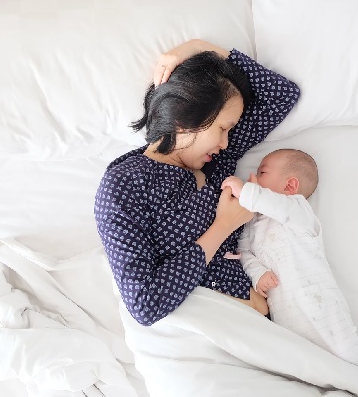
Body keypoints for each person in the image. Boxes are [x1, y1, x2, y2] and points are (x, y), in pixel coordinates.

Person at [94, 39, 300, 326]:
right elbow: (144, 304)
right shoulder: (124, 185)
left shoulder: (217, 160)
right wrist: (223, 226)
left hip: (262, 327)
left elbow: (281, 95)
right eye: (223, 128)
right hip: (207, 333)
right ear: (187, 115)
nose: (227, 141)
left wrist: (201, 48)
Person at [221, 149, 358, 368]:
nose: (252, 178)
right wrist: (258, 273)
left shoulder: (298, 210)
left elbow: (272, 204)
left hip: (324, 310)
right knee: (305, 368)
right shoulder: (253, 221)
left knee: (347, 356)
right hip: (288, 322)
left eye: (261, 173)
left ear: (289, 186)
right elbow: (245, 252)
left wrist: (246, 191)